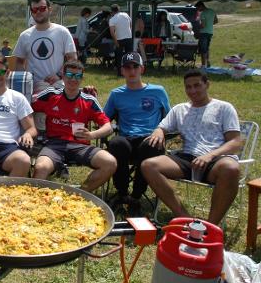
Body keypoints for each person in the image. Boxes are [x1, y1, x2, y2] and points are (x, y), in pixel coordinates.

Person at [141, 69, 241, 225]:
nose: (192, 90)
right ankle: (184, 218)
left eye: (197, 85)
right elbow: (162, 127)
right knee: (149, 165)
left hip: (216, 160)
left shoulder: (224, 108)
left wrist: (210, 155)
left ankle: (210, 226)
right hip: (187, 158)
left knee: (231, 168)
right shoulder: (180, 109)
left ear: (207, 85)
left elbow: (236, 142)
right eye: (188, 87)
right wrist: (159, 131)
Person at [32, 60, 116, 192]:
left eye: (77, 76)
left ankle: (80, 195)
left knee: (110, 163)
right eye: (70, 75)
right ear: (63, 77)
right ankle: (38, 205)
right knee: (41, 167)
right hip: (54, 144)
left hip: (80, 145)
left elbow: (108, 127)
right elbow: (26, 108)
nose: (73, 79)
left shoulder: (88, 100)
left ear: (82, 78)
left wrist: (91, 135)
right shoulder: (51, 95)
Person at [103, 52, 171, 214]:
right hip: (126, 138)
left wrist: (161, 131)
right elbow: (104, 119)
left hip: (149, 137)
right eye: (127, 67)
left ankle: (136, 195)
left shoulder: (158, 91)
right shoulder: (116, 94)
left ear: (142, 69)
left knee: (150, 145)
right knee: (116, 143)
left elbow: (170, 119)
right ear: (122, 71)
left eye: (135, 66)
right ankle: (122, 193)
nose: (131, 70)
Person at [14, 0, 77, 93]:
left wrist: (59, 75)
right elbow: (18, 61)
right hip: (34, 89)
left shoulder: (62, 32)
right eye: (34, 10)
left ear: (50, 9)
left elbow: (72, 58)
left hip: (58, 86)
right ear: (31, 12)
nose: (38, 12)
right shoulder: (24, 36)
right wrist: (25, 81)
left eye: (42, 8)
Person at [109, 4, 133, 76]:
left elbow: (112, 33)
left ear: (112, 11)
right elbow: (130, 24)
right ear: (118, 9)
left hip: (119, 39)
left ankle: (120, 73)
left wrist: (116, 42)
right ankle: (130, 71)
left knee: (119, 57)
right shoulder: (125, 14)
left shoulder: (112, 19)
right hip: (128, 38)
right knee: (129, 56)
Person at [195, 1, 218, 68]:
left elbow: (203, 25)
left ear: (201, 6)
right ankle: (207, 62)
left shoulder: (203, 14)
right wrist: (210, 24)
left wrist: (197, 26)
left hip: (203, 33)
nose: (198, 10)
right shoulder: (212, 11)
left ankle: (203, 65)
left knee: (203, 50)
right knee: (207, 48)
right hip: (210, 32)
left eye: (198, 8)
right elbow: (216, 21)